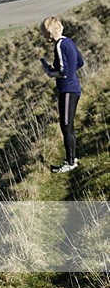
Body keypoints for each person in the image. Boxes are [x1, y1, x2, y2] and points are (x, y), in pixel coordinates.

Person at [40, 16, 84, 173]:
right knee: (69, 126)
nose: (44, 37)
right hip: (74, 88)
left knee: (66, 126)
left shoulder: (59, 45)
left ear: (50, 32)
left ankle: (70, 162)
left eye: (44, 33)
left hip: (67, 90)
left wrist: (50, 72)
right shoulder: (69, 41)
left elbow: (63, 72)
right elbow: (80, 62)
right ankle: (72, 157)